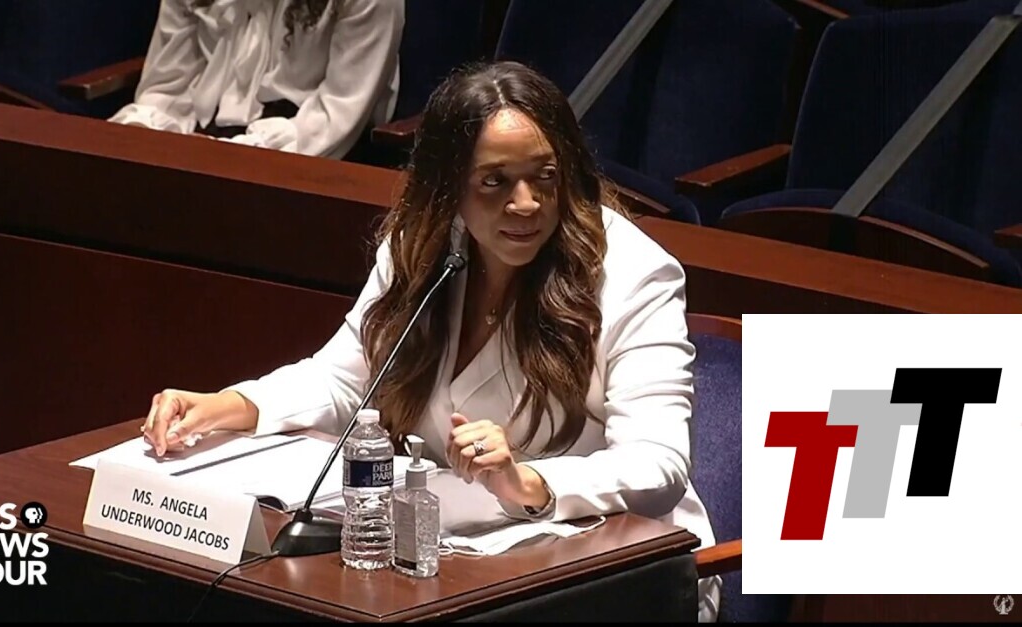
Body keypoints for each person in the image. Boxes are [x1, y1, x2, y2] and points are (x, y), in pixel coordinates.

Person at [140, 60, 721, 621]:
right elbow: (344, 378)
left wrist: (528, 482)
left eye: (545, 176)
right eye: (494, 182)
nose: (526, 203)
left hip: (618, 572)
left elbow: (658, 465)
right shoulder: (422, 248)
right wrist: (227, 406)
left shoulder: (634, 273)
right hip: (460, 563)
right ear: (449, 186)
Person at [109, 0, 404, 159]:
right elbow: (166, 88)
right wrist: (142, 139)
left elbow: (336, 116)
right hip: (199, 139)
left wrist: (222, 156)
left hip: (304, 151)